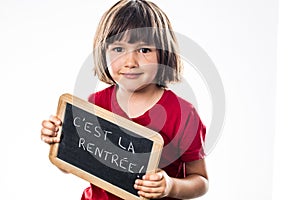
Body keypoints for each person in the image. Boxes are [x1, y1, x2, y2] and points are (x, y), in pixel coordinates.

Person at [40, 0, 209, 199]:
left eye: (144, 50)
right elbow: (76, 165)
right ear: (104, 53)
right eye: (118, 49)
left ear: (164, 54)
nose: (130, 62)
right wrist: (60, 140)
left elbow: (200, 180)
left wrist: (170, 186)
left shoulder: (182, 114)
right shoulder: (95, 104)